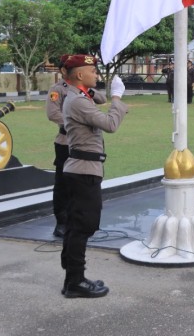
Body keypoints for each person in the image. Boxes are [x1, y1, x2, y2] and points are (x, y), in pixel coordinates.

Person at [60, 54, 128, 298]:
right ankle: (75, 282)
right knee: (83, 226)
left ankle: (73, 279)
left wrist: (99, 90)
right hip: (83, 171)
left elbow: (98, 97)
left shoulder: (80, 96)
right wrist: (117, 97)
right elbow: (110, 124)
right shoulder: (77, 101)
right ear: (79, 74)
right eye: (93, 71)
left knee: (76, 226)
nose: (97, 74)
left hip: (83, 169)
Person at [46, 54, 108, 240]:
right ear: (63, 70)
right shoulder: (58, 89)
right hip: (65, 141)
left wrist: (89, 91)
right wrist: (74, 122)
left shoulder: (83, 89)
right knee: (62, 184)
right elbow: (52, 113)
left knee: (85, 185)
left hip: (86, 144)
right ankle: (61, 221)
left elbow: (102, 99)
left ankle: (80, 222)